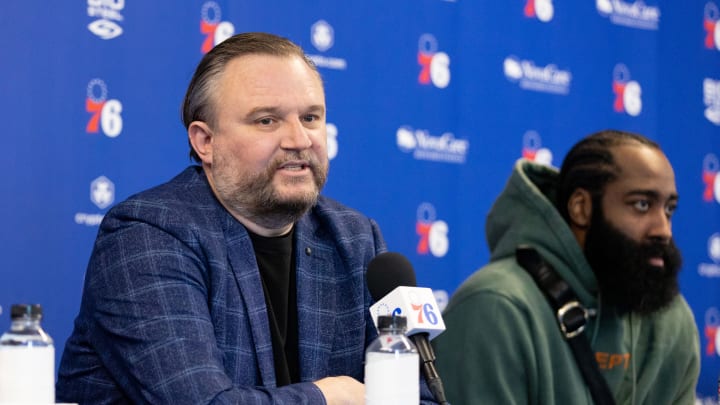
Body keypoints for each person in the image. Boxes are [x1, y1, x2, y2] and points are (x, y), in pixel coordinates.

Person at [56, 32, 436, 404]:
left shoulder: (355, 239)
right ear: (205, 142)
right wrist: (329, 396)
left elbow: (422, 395)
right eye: (267, 121)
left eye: (310, 117)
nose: (299, 139)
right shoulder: (146, 234)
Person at [432, 130, 700, 404]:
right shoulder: (495, 308)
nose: (663, 230)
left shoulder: (671, 319)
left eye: (669, 209)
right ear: (581, 208)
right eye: (641, 205)